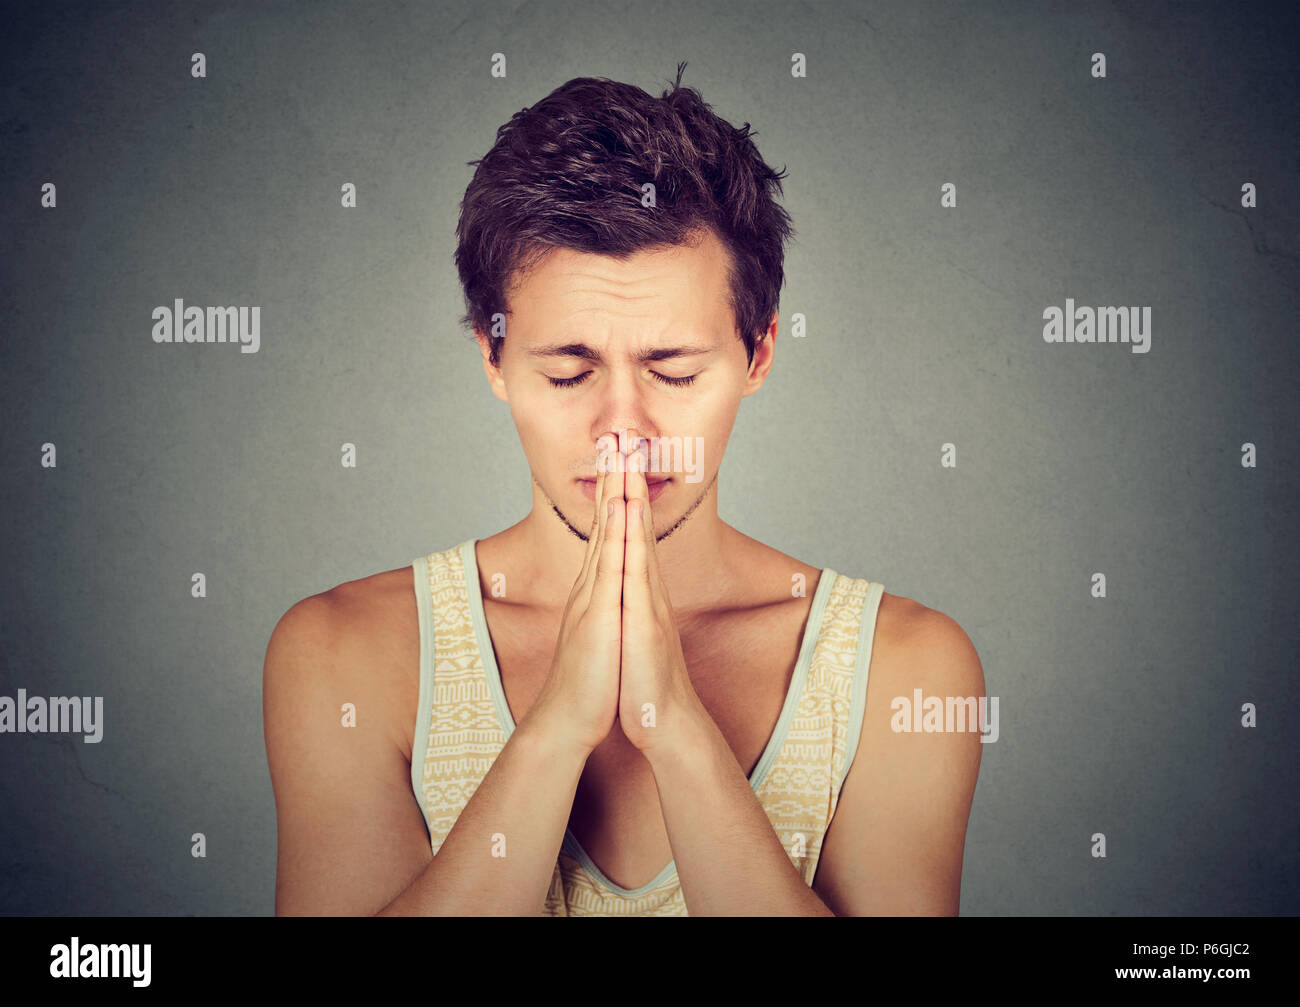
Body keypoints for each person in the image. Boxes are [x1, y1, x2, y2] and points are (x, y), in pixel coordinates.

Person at [262, 63, 985, 916]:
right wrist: (559, 724)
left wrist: (674, 724)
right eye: (569, 373)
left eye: (672, 371)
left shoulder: (905, 671)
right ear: (492, 358)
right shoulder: (342, 656)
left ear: (758, 354)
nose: (622, 433)